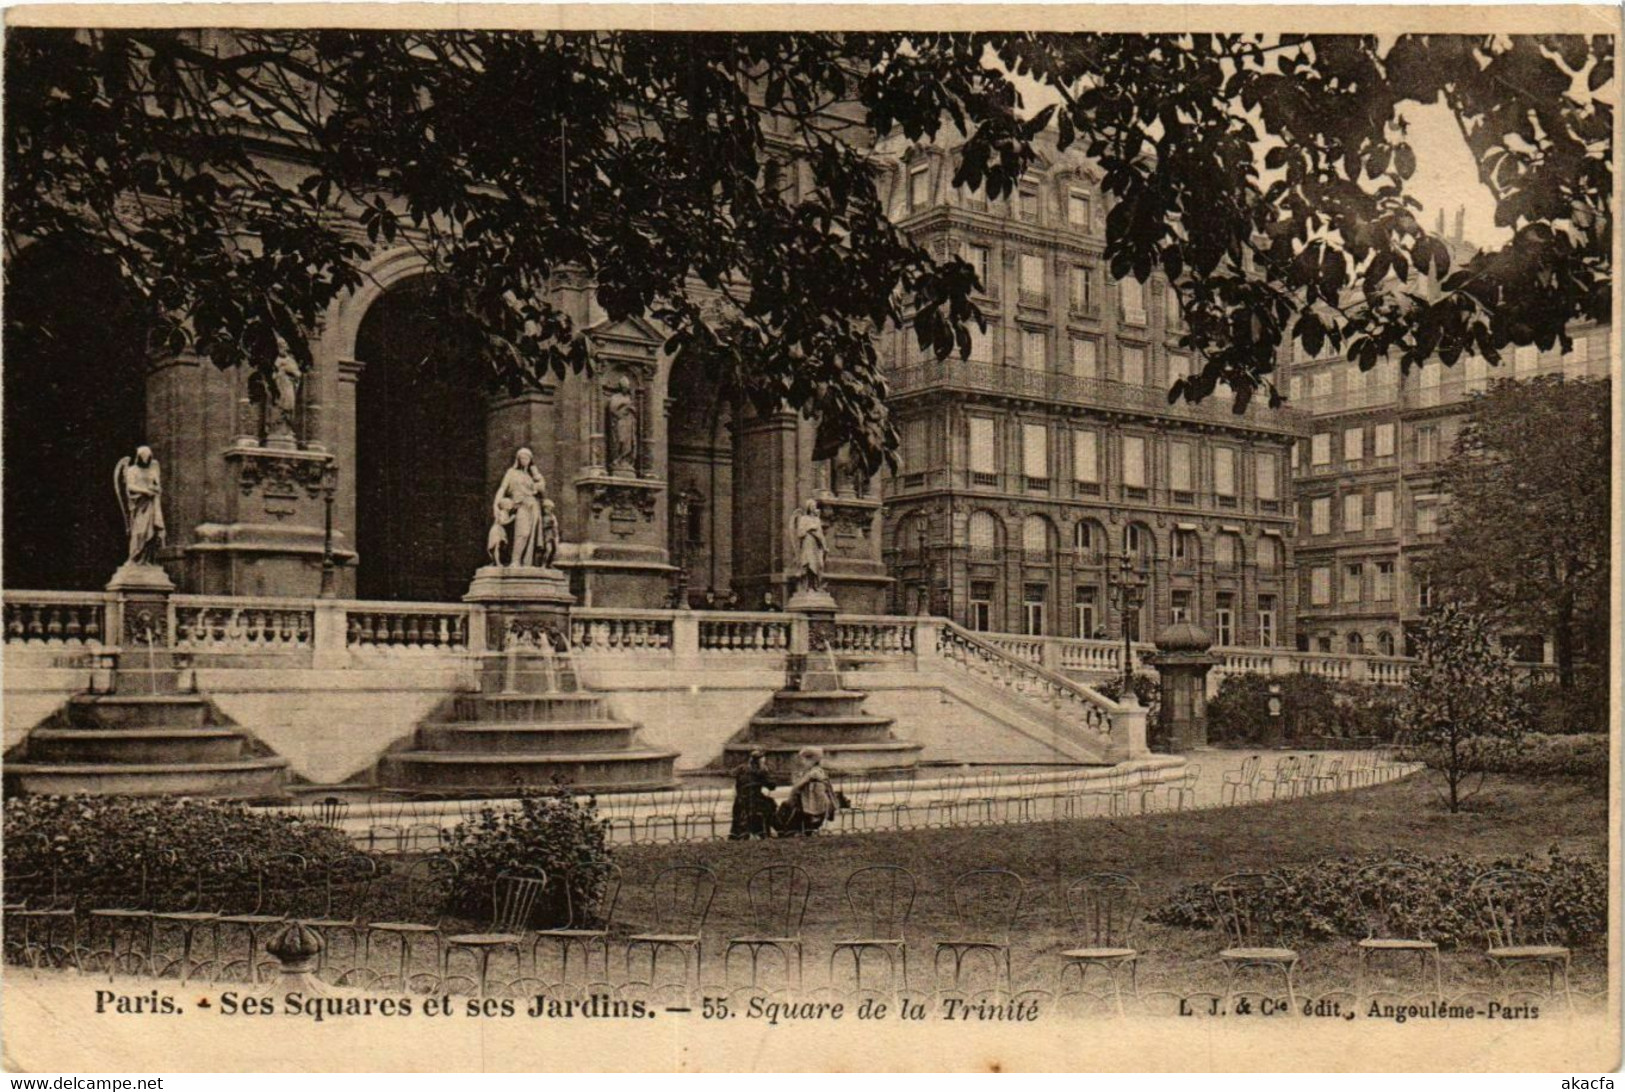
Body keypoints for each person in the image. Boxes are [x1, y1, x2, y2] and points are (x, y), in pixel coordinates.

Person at [492, 448, 546, 567]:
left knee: (531, 536)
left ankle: (527, 562)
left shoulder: (529, 476)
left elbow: (541, 488)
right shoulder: (511, 472)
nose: (524, 460)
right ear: (518, 459)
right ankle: (515, 561)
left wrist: (536, 474)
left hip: (533, 506)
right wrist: (495, 505)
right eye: (522, 458)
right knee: (523, 533)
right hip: (520, 505)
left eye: (527, 458)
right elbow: (502, 488)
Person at [114, 445, 166, 565]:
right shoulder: (132, 470)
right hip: (139, 505)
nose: (146, 460)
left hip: (151, 503)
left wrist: (155, 488)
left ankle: (146, 560)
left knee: (151, 532)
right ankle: (135, 557)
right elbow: (129, 486)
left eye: (148, 458)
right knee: (139, 531)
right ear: (139, 457)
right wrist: (144, 491)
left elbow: (158, 485)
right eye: (144, 457)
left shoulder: (152, 469)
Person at [776, 747, 837, 837]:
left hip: (813, 809)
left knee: (787, 807)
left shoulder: (814, 773)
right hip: (809, 806)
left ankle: (789, 830)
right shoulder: (812, 772)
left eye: (804, 760)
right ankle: (787, 829)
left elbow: (797, 787)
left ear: (812, 760)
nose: (802, 762)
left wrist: (800, 783)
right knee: (786, 806)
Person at [728, 749, 778, 840]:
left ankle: (739, 832)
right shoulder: (761, 771)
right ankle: (766, 831)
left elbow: (731, 774)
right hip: (755, 801)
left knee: (765, 803)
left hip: (740, 801)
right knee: (771, 804)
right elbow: (772, 786)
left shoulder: (742, 768)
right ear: (761, 761)